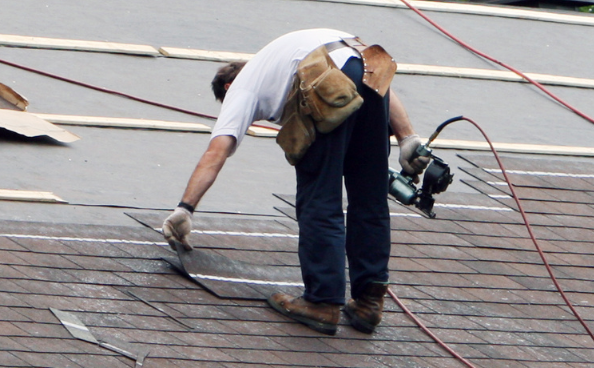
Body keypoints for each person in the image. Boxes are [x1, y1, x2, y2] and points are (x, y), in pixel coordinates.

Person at [163, 28, 429, 335]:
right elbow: (368, 77)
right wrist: (407, 137)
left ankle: (322, 302)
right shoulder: (278, 58)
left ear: (227, 85)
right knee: (368, 194)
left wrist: (186, 208)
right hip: (367, 64)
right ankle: (369, 303)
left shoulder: (242, 88)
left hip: (327, 78)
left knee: (320, 196)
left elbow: (217, 150)